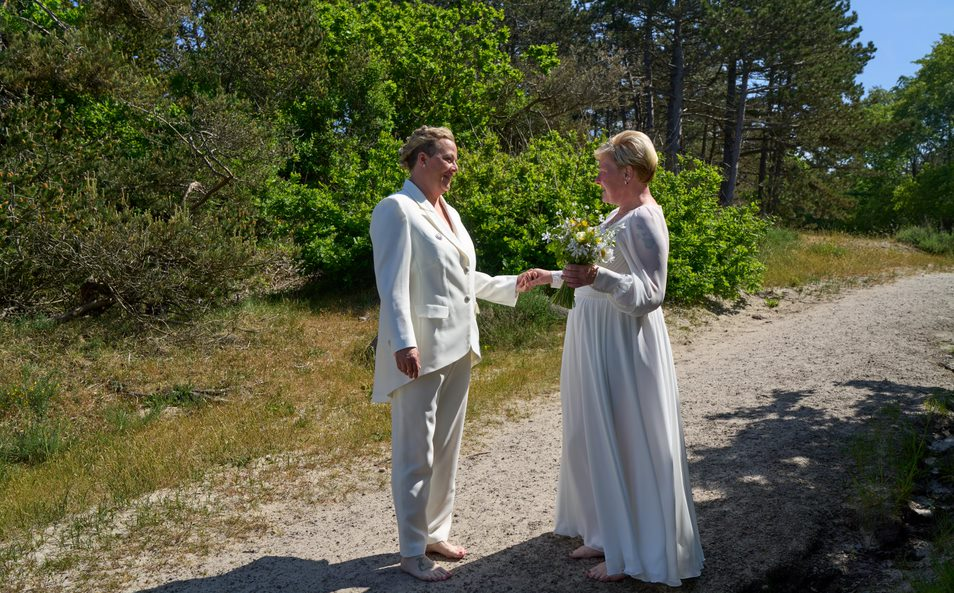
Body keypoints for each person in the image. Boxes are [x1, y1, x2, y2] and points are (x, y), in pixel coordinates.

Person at [519, 130, 704, 585]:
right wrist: (553, 277)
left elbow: (651, 294)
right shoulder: (616, 213)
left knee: (624, 437)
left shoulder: (644, 219)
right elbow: (596, 273)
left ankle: (633, 551)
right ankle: (605, 532)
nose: (598, 179)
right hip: (595, 338)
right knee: (592, 433)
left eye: (603, 171)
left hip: (624, 345)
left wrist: (599, 278)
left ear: (628, 172)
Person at [370, 125, 527, 582]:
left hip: (460, 345)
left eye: (455, 160)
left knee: (446, 449)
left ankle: (436, 531)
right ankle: (412, 550)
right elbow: (392, 284)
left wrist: (514, 284)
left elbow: (463, 280)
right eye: (448, 159)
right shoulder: (396, 209)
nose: (455, 168)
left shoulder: (450, 213)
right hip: (420, 350)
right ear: (422, 159)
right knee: (415, 453)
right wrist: (403, 342)